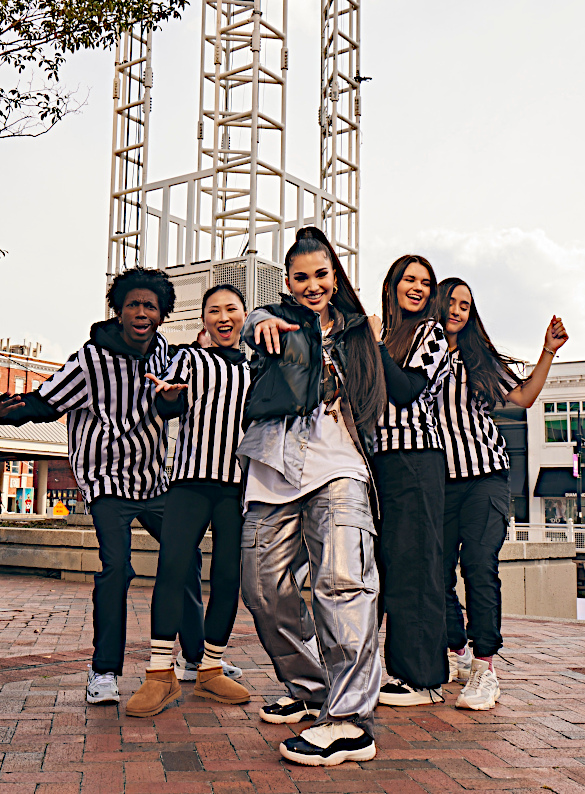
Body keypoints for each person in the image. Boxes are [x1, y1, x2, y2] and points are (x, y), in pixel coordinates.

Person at [0, 267, 205, 706]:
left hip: (153, 478)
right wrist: (7, 412)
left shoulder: (164, 354)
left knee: (186, 558)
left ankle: (194, 659)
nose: (141, 313)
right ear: (118, 312)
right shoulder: (89, 360)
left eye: (150, 306)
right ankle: (104, 671)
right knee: (117, 568)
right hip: (106, 481)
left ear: (162, 314)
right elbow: (48, 402)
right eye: (133, 305)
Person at [239, 225, 387, 767]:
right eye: (301, 277)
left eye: (321, 274)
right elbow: (252, 328)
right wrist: (266, 322)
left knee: (343, 585)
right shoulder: (273, 320)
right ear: (288, 281)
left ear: (334, 275)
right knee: (260, 588)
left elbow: (377, 397)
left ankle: (349, 721)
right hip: (274, 467)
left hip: (339, 468)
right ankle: (314, 687)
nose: (312, 285)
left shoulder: (355, 333)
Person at [433, 277, 567, 711]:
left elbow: (524, 396)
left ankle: (486, 667)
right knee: (436, 572)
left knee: (478, 564)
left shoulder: (478, 357)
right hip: (439, 481)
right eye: (450, 302)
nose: (457, 310)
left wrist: (547, 351)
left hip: (485, 477)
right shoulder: (418, 355)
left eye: (465, 305)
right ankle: (457, 653)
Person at [126, 284, 253, 717]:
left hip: (237, 487)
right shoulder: (189, 360)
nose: (223, 317)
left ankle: (211, 668)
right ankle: (160, 674)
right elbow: (168, 403)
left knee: (227, 578)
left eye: (231, 309)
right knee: (173, 571)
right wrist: (167, 399)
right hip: (187, 483)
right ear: (203, 319)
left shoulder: (257, 368)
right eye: (213, 310)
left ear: (244, 315)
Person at [368, 255, 457, 708]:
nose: (418, 288)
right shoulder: (387, 335)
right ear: (393, 285)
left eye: (426, 282)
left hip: (417, 457)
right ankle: (400, 672)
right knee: (393, 566)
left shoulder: (430, 333)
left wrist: (375, 346)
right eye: (410, 280)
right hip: (382, 460)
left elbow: (406, 390)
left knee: (416, 565)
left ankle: (423, 679)